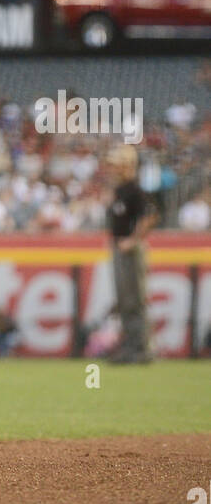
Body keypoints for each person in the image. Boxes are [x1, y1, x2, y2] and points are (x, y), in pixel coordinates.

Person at [105, 145, 157, 364]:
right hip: (118, 248)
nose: (111, 168)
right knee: (124, 300)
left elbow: (150, 216)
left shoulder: (134, 190)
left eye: (116, 163)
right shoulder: (120, 190)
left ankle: (141, 348)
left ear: (127, 165)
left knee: (134, 299)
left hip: (131, 251)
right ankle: (130, 347)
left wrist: (133, 240)